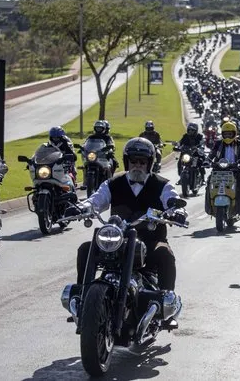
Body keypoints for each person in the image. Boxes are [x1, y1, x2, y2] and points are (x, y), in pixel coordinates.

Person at [68, 138, 187, 328]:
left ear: (149, 163)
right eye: (133, 161)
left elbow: (171, 198)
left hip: (150, 240)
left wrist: (176, 210)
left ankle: (166, 307)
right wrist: (82, 207)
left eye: (142, 162)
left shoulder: (161, 185)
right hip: (117, 240)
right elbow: (96, 199)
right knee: (85, 249)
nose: (137, 165)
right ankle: (83, 298)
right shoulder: (113, 183)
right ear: (127, 162)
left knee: (165, 254)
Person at [208, 121, 240, 214]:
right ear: (222, 134)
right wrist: (207, 160)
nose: (228, 136)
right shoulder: (218, 143)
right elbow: (212, 153)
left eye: (230, 134)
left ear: (235, 133)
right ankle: (209, 207)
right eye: (225, 134)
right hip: (219, 169)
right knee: (209, 181)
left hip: (237, 169)